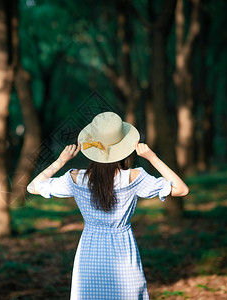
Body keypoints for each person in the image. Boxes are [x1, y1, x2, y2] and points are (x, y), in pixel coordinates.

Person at [27, 112, 189, 300]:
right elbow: (181, 189)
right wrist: (152, 157)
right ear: (125, 147)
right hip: (123, 250)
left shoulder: (76, 178)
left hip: (90, 250)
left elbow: (32, 187)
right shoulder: (134, 178)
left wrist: (61, 161)